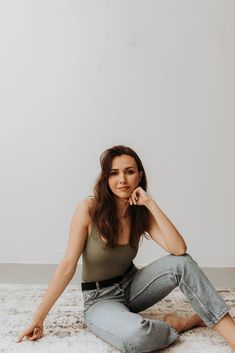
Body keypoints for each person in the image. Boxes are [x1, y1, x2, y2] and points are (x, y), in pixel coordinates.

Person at [17, 145, 235, 352]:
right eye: (114, 173)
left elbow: (179, 249)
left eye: (129, 172)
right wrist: (38, 319)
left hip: (132, 286)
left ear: (139, 176)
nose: (122, 180)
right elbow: (67, 267)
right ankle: (179, 325)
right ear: (106, 178)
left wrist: (150, 203)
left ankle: (232, 336)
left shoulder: (138, 212)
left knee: (182, 264)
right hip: (99, 298)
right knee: (138, 336)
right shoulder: (88, 209)